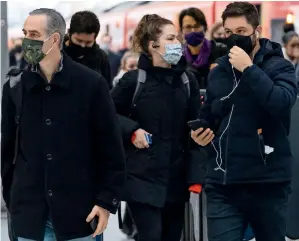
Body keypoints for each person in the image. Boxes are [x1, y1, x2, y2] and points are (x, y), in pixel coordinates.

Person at [1, 8, 126, 241]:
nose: (27, 40)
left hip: (80, 214)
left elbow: (111, 149)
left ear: (55, 39)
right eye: (25, 32)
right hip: (30, 216)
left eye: (34, 34)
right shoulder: (15, 87)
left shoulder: (91, 85)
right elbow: (7, 151)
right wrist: (13, 199)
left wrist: (106, 201)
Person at [191, 2, 298, 241]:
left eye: (241, 32)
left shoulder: (280, 66)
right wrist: (200, 130)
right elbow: (210, 113)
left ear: (256, 31)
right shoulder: (219, 71)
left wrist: (249, 69)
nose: (234, 38)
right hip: (223, 182)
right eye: (229, 33)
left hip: (268, 181)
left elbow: (281, 102)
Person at [111, 14, 202, 241]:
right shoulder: (133, 81)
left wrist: (196, 178)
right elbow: (106, 115)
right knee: (151, 235)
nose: (178, 44)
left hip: (176, 179)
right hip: (141, 178)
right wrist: (132, 130)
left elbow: (196, 132)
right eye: (171, 38)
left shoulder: (188, 81)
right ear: (153, 45)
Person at [179, 7, 228, 88]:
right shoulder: (179, 57)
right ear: (181, 30)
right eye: (188, 27)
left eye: (197, 26)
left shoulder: (219, 50)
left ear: (204, 27)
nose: (193, 30)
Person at [63, 10, 112, 89]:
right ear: (69, 33)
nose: (83, 45)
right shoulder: (57, 53)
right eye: (79, 40)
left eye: (88, 42)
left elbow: (107, 88)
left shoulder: (101, 57)